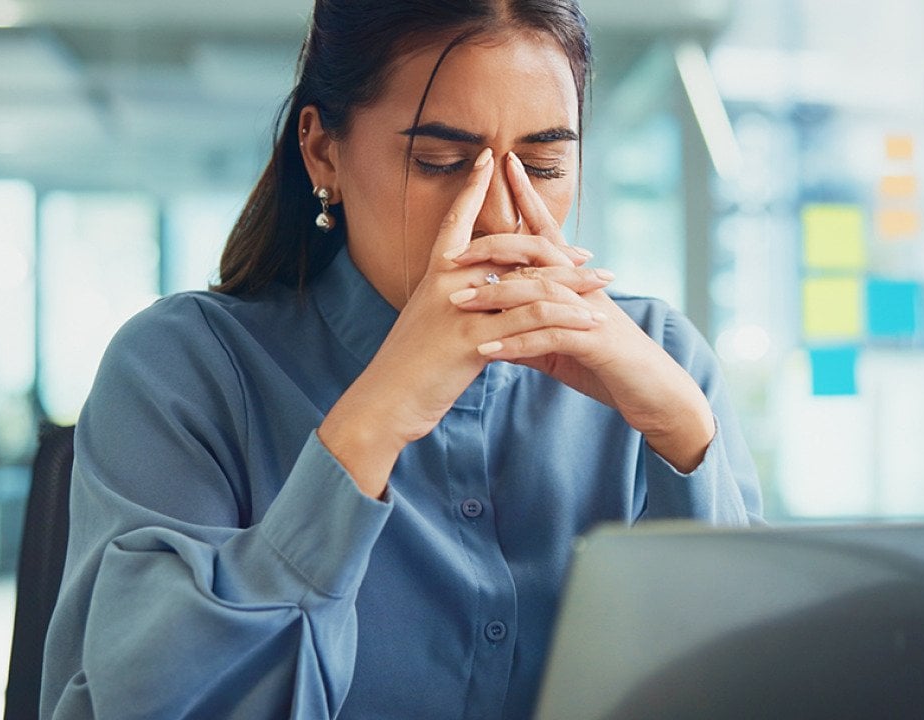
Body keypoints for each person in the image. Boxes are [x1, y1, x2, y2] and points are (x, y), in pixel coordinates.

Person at [40, 0, 763, 717]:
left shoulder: (661, 360)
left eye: (543, 166)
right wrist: (368, 428)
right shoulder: (182, 370)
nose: (500, 218)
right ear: (324, 151)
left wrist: (684, 437)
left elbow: (761, 686)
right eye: (442, 162)